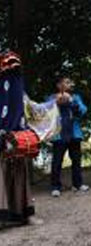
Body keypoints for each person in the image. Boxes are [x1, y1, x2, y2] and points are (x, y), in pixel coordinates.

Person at [0, 51, 41, 227]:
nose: (13, 69)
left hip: (17, 131)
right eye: (9, 65)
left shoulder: (18, 84)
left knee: (19, 170)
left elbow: (27, 106)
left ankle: (24, 214)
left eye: (16, 65)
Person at [48, 77, 89, 197]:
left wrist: (72, 102)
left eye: (70, 82)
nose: (70, 84)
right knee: (57, 161)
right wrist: (56, 102)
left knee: (76, 160)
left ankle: (78, 183)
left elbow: (83, 111)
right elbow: (46, 112)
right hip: (59, 135)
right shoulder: (51, 98)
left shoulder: (75, 97)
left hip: (74, 133)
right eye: (66, 82)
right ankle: (56, 186)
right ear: (58, 85)